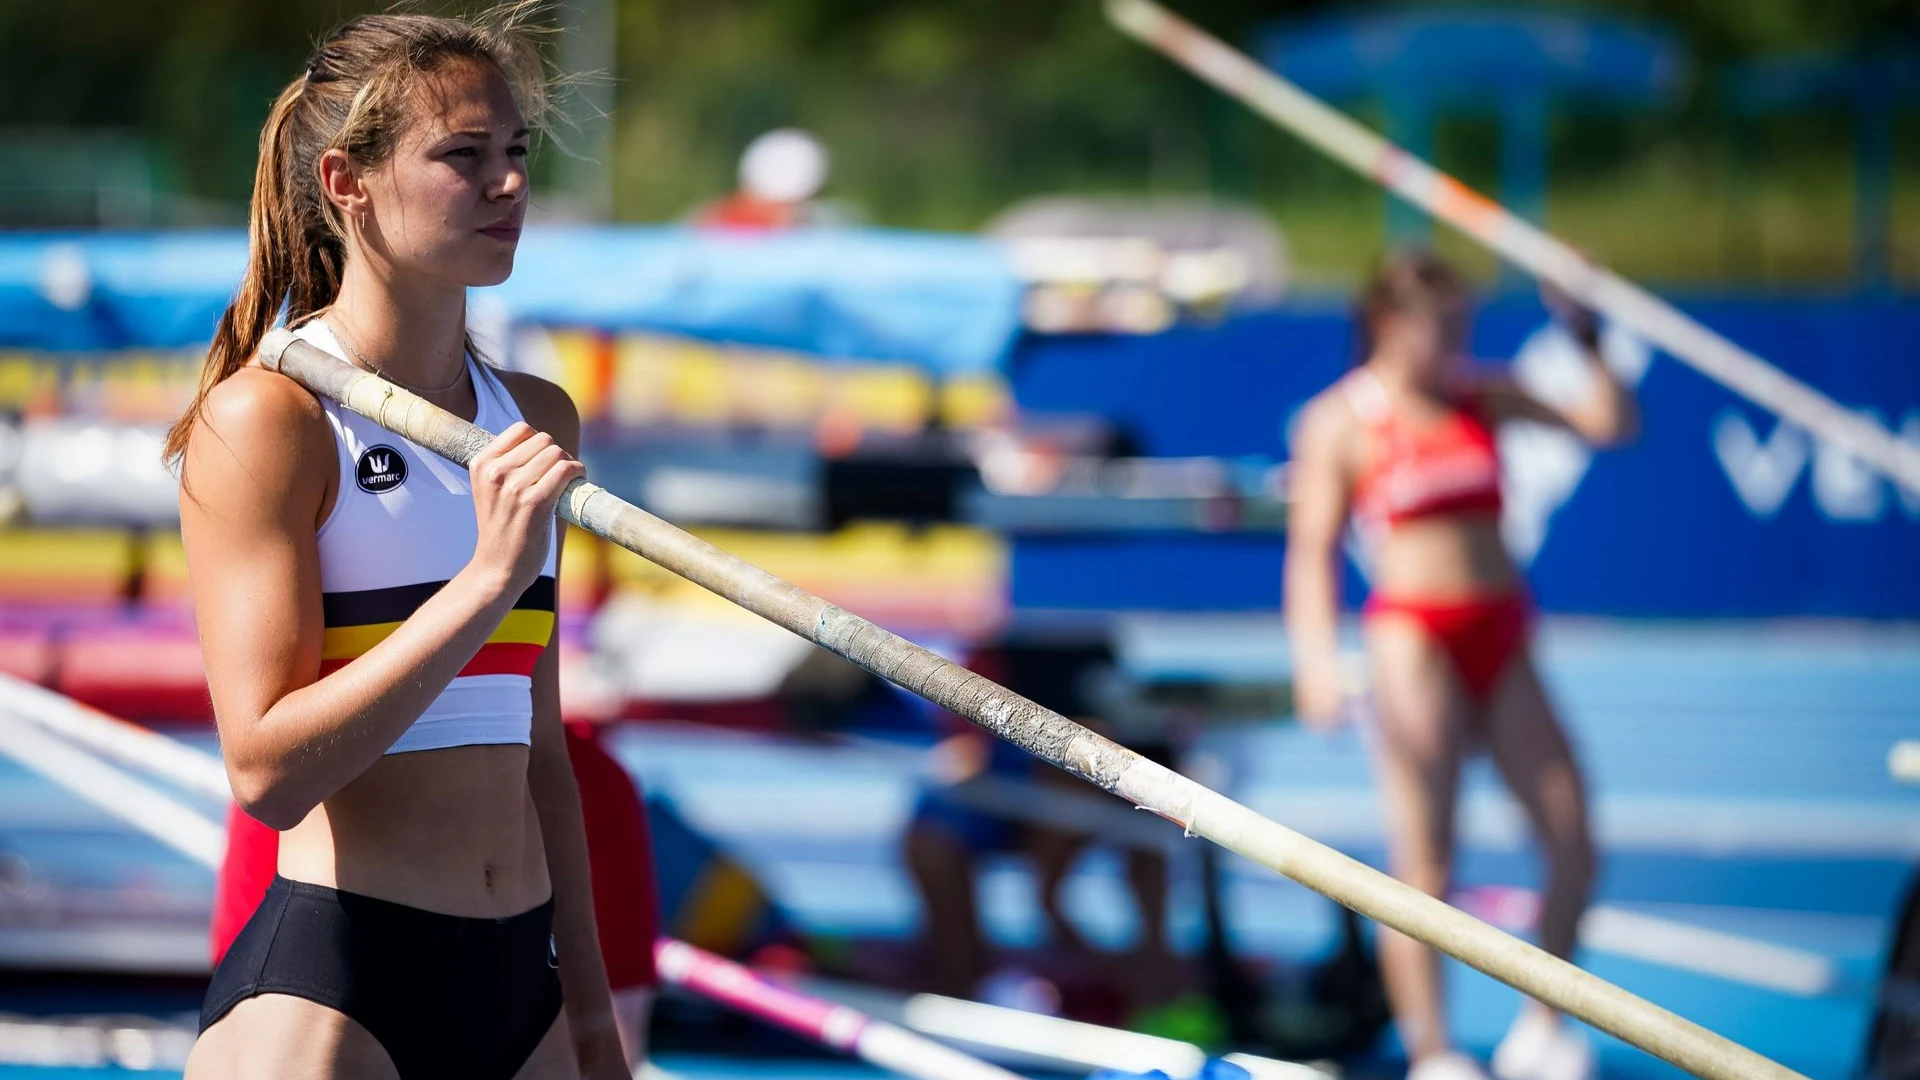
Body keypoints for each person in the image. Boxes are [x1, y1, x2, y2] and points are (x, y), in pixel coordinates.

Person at [167, 9, 625, 1077]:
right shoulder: (270, 423)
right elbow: (267, 771)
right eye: (463, 157)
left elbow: (541, 753)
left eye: (516, 153)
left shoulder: (535, 419)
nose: (509, 186)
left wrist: (593, 1016)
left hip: (526, 994)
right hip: (341, 990)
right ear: (347, 182)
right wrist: (485, 584)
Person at [1283, 251, 1637, 1080]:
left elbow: (1612, 425)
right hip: (1414, 640)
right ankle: (1433, 1051)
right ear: (1387, 323)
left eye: (1462, 326)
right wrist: (1316, 665)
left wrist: (1589, 339)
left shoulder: (1485, 393)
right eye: (1438, 327)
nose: (1454, 342)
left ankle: (1543, 1027)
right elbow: (1312, 553)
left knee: (1572, 836)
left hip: (1504, 633)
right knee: (1427, 862)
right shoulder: (1341, 420)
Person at [208, 716, 663, 1069]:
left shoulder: (595, 784)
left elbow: (616, 1034)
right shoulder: (296, 764)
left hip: (518, 1018)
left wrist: (598, 1030)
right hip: (318, 975)